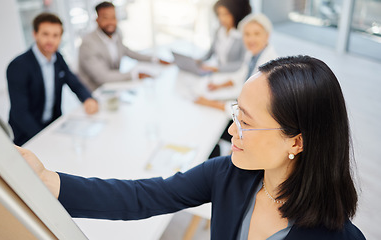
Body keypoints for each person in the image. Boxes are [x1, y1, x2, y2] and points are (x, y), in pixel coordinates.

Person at [18, 55, 365, 239]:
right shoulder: (229, 174)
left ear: (297, 141)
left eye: (246, 121)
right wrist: (47, 179)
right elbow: (143, 197)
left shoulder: (340, 237)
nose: (232, 130)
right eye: (236, 114)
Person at [7, 13, 98, 146]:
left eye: (56, 35)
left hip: (54, 127)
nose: (51, 40)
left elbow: (75, 84)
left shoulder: (58, 59)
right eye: (45, 34)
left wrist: (88, 99)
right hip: (27, 136)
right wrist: (44, 138)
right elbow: (20, 113)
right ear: (35, 34)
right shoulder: (18, 66)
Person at [196, 13, 278, 158]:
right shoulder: (253, 54)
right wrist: (220, 86)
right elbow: (242, 75)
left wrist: (212, 103)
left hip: (257, 126)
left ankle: (215, 164)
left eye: (256, 34)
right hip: (246, 113)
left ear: (267, 36)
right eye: (246, 34)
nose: (251, 39)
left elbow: (248, 109)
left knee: (212, 129)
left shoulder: (269, 70)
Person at [78, 1, 170, 92]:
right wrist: (134, 74)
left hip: (115, 86)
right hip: (95, 93)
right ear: (97, 20)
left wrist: (154, 59)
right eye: (106, 18)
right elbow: (103, 77)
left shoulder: (117, 33)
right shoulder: (88, 44)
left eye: (113, 17)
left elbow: (126, 51)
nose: (111, 22)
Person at [199, 0, 251, 73]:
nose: (221, 18)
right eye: (219, 14)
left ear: (235, 14)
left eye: (226, 14)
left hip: (233, 75)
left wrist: (217, 68)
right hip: (217, 72)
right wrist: (199, 60)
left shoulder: (242, 35)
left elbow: (242, 64)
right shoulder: (219, 31)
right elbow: (211, 52)